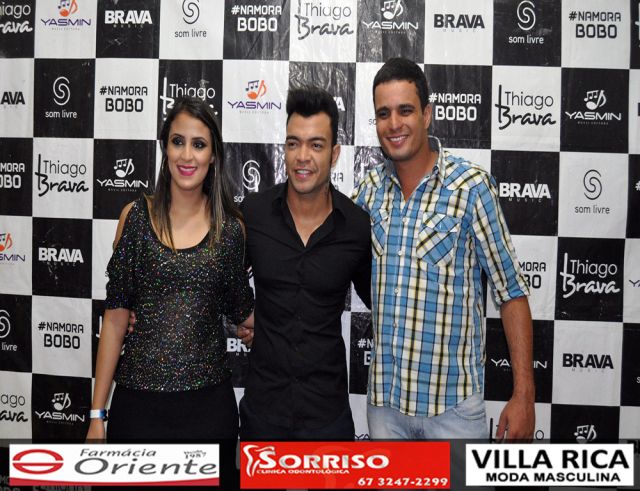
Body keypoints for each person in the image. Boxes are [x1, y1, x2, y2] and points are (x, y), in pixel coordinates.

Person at [352, 57, 535, 441]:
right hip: (385, 409)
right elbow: (325, 253)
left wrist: (524, 395)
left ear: (427, 114)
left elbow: (511, 292)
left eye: (405, 110)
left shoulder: (471, 187)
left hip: (452, 412)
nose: (394, 123)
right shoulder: (369, 190)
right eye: (383, 113)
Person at [86, 97, 254, 442]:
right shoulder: (134, 217)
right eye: (178, 141)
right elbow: (115, 319)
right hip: (137, 409)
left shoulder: (230, 230)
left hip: (209, 411)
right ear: (165, 147)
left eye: (199, 144)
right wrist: (96, 414)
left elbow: (242, 310)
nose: (187, 155)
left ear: (213, 155)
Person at [236, 86, 372, 440]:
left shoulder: (356, 226)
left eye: (316, 145)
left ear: (335, 153)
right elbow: (218, 278)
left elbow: (382, 301)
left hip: (327, 416)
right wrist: (244, 317)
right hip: (263, 411)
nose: (302, 157)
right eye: (293, 143)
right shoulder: (253, 214)